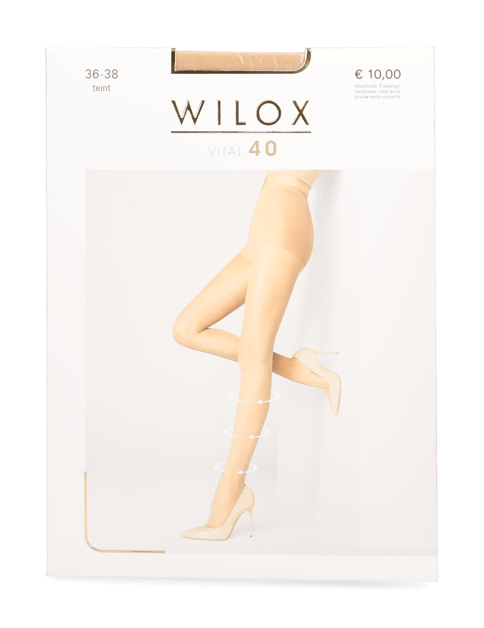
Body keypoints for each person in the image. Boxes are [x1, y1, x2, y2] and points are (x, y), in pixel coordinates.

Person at [172, 170, 341, 540]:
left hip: (286, 221)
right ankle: (298, 368)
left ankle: (231, 490)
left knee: (253, 357)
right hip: (262, 226)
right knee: (186, 328)